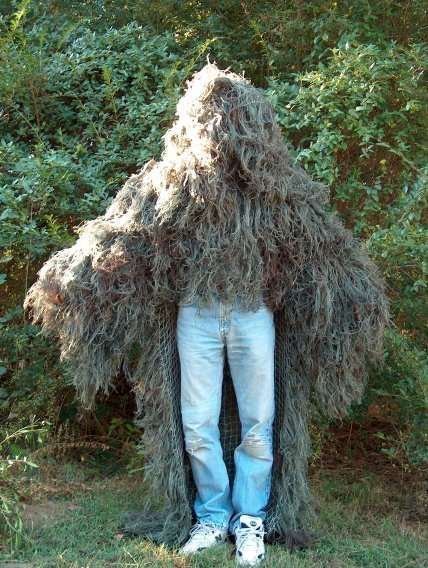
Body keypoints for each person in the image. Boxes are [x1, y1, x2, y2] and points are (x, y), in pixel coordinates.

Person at [177, 295, 275, 565]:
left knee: (258, 425)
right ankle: (213, 518)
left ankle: (249, 521)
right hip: (196, 306)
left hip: (252, 305)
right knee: (197, 426)